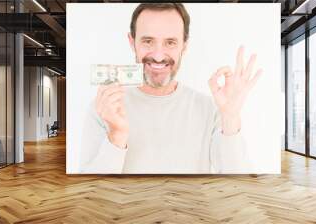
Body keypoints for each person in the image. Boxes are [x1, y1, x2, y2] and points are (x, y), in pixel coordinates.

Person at [80, 3, 262, 174]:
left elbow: (238, 185)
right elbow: (89, 193)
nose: (158, 56)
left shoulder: (210, 108)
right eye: (148, 41)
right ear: (131, 42)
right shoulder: (104, 108)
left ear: (184, 45)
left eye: (170, 42)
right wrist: (116, 137)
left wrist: (230, 117)